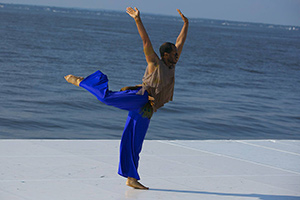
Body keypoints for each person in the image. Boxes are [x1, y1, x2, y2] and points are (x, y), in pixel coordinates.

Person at [64, 7, 188, 190]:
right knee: (107, 97)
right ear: (166, 54)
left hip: (148, 108)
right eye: (174, 53)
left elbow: (180, 41)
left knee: (134, 141)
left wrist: (186, 24)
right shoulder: (155, 63)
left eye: (177, 53)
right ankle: (83, 82)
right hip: (141, 96)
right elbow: (145, 41)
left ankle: (131, 178)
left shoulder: (172, 65)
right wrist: (137, 19)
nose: (178, 55)